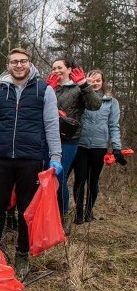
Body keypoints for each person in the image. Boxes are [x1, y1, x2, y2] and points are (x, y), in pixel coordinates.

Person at [0, 47, 61, 278]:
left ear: (30, 64)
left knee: (26, 209)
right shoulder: (1, 91)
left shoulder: (44, 90)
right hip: (1, 158)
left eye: (23, 61)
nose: (18, 65)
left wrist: (56, 157)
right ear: (7, 66)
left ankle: (22, 255)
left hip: (30, 158)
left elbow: (51, 125)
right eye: (14, 62)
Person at [49, 58, 101, 231]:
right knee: (45, 178)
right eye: (54, 67)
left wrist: (84, 85)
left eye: (60, 67)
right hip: (48, 137)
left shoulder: (78, 88)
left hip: (68, 139)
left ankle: (63, 216)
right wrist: (48, 90)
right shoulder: (51, 87)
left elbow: (95, 105)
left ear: (69, 69)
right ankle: (49, 215)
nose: (56, 70)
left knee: (59, 176)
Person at [72, 70, 125, 224]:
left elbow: (113, 126)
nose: (95, 83)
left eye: (98, 80)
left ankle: (89, 212)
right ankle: (79, 214)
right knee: (80, 179)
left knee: (93, 181)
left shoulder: (111, 102)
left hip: (99, 146)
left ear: (103, 82)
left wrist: (117, 148)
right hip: (80, 144)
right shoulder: (80, 98)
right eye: (92, 80)